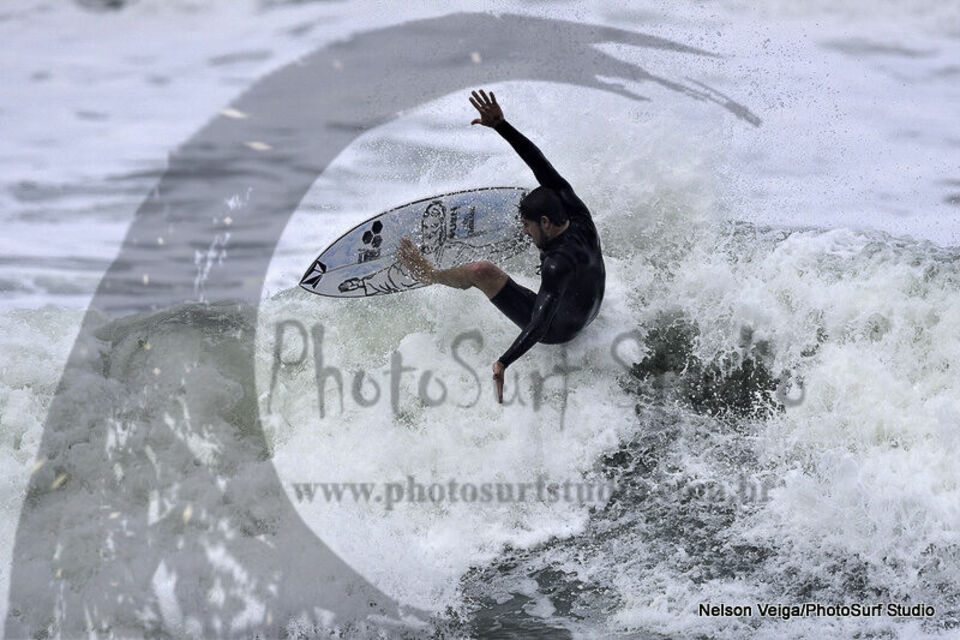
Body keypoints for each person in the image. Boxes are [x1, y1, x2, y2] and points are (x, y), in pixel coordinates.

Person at [398, 89, 605, 403]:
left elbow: (540, 323)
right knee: (531, 211)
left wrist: (504, 361)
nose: (525, 229)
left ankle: (429, 274)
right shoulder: (577, 212)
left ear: (546, 222)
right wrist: (501, 126)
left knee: (483, 271)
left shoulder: (556, 265)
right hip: (589, 307)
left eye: (528, 226)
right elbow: (540, 163)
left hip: (561, 328)